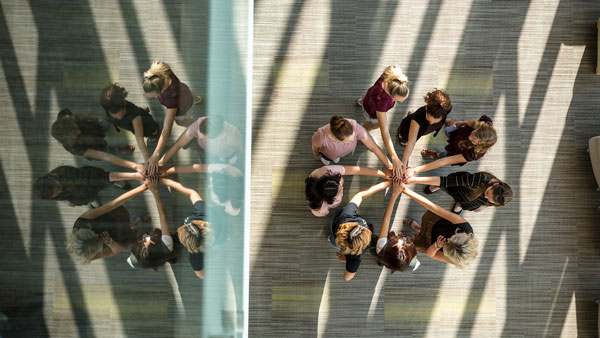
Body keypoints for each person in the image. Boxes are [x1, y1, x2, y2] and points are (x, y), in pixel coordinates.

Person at [160, 178, 227, 279]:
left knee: (219, 242)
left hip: (217, 236)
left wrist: (209, 260)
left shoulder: (196, 255)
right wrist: (167, 182)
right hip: (219, 218)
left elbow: (201, 275)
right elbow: (192, 193)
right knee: (221, 239)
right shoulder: (202, 213)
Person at [142, 61, 201, 178]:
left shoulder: (170, 98)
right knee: (190, 95)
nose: (153, 98)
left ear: (161, 91)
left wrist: (155, 154)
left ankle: (196, 127)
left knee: (180, 121)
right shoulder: (161, 68)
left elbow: (166, 130)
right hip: (184, 90)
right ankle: (197, 99)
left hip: (183, 106)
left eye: (154, 96)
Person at [67, 183, 148, 263]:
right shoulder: (88, 254)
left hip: (112, 218)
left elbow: (115, 203)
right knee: (132, 241)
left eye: (93, 233)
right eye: (98, 239)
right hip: (117, 238)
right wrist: (110, 242)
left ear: (85, 230)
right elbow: (115, 251)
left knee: (125, 222)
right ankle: (134, 227)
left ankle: (133, 226)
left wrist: (143, 187)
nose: (98, 235)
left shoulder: (82, 222)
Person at [401, 187, 479, 268]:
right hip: (437, 223)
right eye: (452, 237)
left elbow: (431, 255)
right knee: (424, 226)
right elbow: (432, 207)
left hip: (430, 242)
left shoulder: (456, 257)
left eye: (448, 243)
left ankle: (417, 231)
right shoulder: (465, 226)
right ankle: (418, 228)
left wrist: (436, 246)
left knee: (416, 243)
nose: (447, 239)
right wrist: (406, 191)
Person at [329, 181, 389, 281]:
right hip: (340, 241)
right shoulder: (355, 258)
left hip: (337, 219)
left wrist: (384, 184)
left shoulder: (348, 215)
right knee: (334, 242)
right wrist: (348, 260)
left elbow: (360, 195)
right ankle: (332, 239)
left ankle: (331, 239)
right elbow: (347, 277)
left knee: (333, 241)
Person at [358, 66, 410, 178]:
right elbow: (385, 132)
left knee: (366, 99)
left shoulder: (392, 72)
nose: (400, 103)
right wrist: (395, 158)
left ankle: (361, 102)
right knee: (374, 124)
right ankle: (363, 131)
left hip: (369, 96)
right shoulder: (381, 101)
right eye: (397, 100)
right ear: (390, 94)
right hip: (371, 111)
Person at [405, 115, 497, 178]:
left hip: (457, 151)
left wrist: (415, 170)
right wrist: (463, 123)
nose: (470, 137)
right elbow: (473, 123)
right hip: (459, 133)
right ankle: (452, 126)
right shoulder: (485, 123)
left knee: (444, 156)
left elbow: (443, 162)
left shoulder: (473, 154)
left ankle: (436, 154)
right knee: (448, 130)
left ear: (480, 145)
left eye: (473, 140)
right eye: (473, 133)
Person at [99, 83, 160, 162]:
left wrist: (147, 160)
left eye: (118, 112)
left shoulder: (134, 116)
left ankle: (154, 134)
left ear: (124, 104)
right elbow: (107, 115)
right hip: (130, 124)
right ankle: (143, 112)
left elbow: (140, 140)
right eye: (113, 113)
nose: (117, 116)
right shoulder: (111, 107)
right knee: (138, 115)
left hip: (144, 124)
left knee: (151, 131)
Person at [405, 171, 513, 213]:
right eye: (487, 193)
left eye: (489, 200)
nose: (485, 197)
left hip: (467, 201)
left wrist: (485, 206)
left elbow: (489, 200)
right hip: (457, 187)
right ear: (494, 183)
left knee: (461, 204)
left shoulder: (494, 199)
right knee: (444, 185)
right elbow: (446, 181)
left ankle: (459, 204)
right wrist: (415, 180)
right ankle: (437, 187)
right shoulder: (478, 180)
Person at [127, 179, 177, 270]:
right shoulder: (166, 244)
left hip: (165, 254)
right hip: (170, 244)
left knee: (168, 256)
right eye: (143, 242)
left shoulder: (153, 261)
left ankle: (170, 258)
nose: (143, 239)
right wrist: (155, 191)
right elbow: (163, 215)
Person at [305, 165, 390, 217]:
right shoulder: (320, 208)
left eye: (339, 185)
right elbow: (322, 212)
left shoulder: (329, 170)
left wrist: (383, 174)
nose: (342, 188)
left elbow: (356, 170)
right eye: (338, 192)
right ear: (327, 199)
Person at [33, 166, 137, 207]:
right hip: (83, 194)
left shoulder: (64, 172)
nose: (59, 191)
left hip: (90, 180)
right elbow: (63, 196)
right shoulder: (54, 193)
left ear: (51, 179)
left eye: (57, 187)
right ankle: (96, 201)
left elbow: (86, 178)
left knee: (107, 180)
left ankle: (118, 183)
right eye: (55, 193)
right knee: (94, 200)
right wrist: (66, 200)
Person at [51, 108, 134, 160]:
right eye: (74, 133)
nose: (78, 131)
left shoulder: (70, 120)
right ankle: (118, 149)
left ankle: (129, 118)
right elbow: (97, 154)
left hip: (93, 128)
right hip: (92, 146)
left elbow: (83, 117)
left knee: (105, 124)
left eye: (75, 127)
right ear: (68, 138)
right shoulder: (74, 148)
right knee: (106, 151)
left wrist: (94, 118)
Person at [162, 163, 243, 216]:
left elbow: (217, 212)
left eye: (212, 187)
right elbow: (196, 168)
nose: (208, 185)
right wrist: (168, 171)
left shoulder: (233, 209)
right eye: (212, 182)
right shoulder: (227, 170)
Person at [373, 180, 419, 272]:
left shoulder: (381, 246)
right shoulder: (411, 259)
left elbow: (386, 219)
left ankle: (382, 261)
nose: (403, 242)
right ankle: (383, 262)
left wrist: (394, 194)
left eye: (400, 245)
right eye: (404, 246)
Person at [397, 89, 452, 167]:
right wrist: (404, 163)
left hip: (422, 129)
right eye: (429, 120)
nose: (431, 123)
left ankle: (411, 115)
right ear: (427, 109)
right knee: (405, 139)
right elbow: (411, 142)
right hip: (408, 127)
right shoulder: (418, 118)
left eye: (435, 122)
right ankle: (402, 136)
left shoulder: (444, 110)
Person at [159, 115, 242, 166]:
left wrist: (235, 157)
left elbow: (239, 148)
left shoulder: (233, 136)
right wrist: (161, 162)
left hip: (225, 152)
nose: (200, 138)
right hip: (210, 149)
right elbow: (178, 144)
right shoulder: (199, 124)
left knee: (223, 158)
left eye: (204, 138)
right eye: (198, 134)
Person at [312, 115, 392, 167]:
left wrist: (390, 165)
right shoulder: (320, 137)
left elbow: (374, 147)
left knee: (337, 158)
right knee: (327, 160)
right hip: (327, 154)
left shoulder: (355, 126)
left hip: (342, 152)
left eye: (354, 137)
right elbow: (315, 146)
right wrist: (316, 154)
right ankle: (328, 159)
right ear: (337, 138)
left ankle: (336, 157)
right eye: (348, 141)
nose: (353, 140)